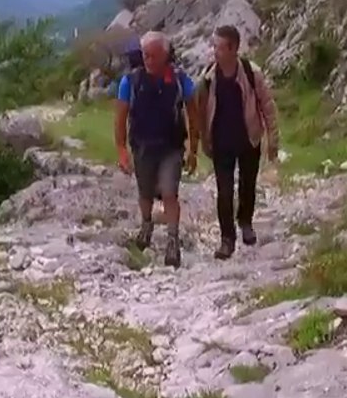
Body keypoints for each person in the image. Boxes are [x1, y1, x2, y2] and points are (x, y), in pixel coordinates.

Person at [114, 31, 199, 267]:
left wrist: (193, 148)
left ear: (165, 56)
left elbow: (193, 114)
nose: (148, 60)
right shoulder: (130, 82)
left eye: (153, 56)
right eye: (145, 55)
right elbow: (120, 118)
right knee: (145, 192)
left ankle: (173, 239)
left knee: (170, 191)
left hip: (171, 147)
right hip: (142, 146)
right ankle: (146, 225)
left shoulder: (181, 80)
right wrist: (121, 150)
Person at [196, 25, 280, 260]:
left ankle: (245, 222)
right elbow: (200, 111)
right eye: (214, 46)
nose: (214, 51)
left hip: (248, 139)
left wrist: (273, 139)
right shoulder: (209, 78)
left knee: (247, 185)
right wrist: (203, 140)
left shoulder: (251, 73)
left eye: (218, 47)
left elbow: (268, 106)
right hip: (221, 143)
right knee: (224, 191)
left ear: (233, 48)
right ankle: (227, 239)